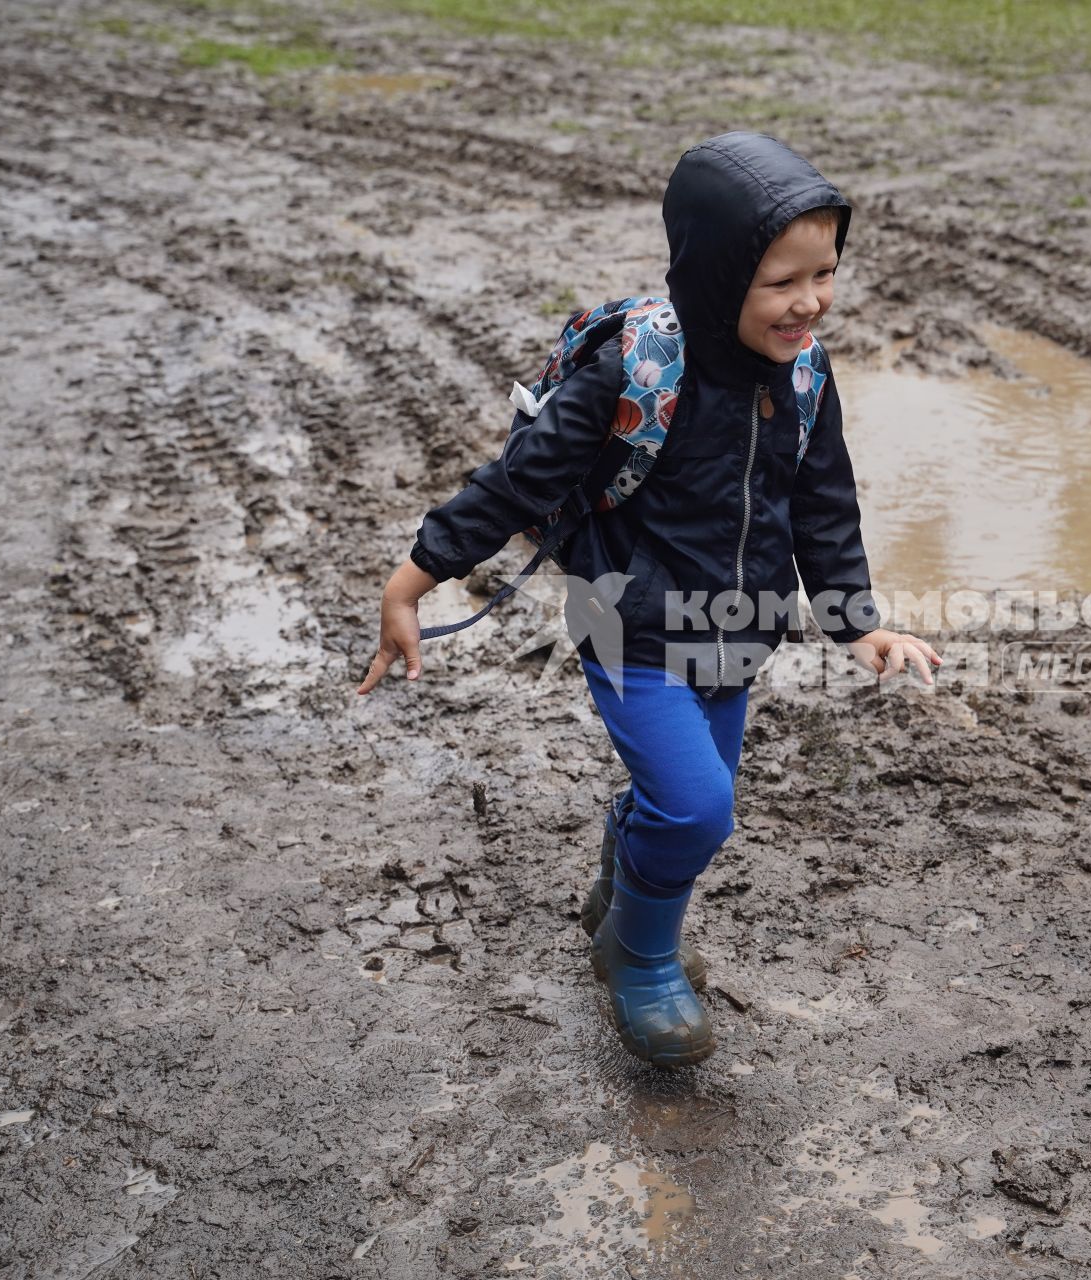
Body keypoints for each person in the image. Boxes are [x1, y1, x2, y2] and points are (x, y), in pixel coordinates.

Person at [355, 132, 941, 1068]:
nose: (810, 302)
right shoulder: (636, 372)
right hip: (625, 629)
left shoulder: (803, 375)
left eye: (824, 274)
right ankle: (638, 954)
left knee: (680, 804)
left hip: (735, 639)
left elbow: (824, 504)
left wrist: (857, 622)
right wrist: (413, 579)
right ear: (716, 275)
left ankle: (620, 878)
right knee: (702, 810)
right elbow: (516, 482)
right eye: (781, 281)